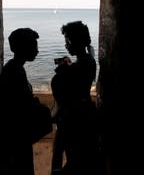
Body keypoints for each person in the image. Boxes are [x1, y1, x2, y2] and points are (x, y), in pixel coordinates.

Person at [50, 21, 101, 175]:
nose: (66, 45)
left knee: (72, 156)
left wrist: (62, 72)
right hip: (84, 112)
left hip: (75, 118)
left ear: (77, 41)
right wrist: (69, 67)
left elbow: (62, 90)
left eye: (68, 41)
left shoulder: (77, 67)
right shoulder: (88, 59)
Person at [0, 28, 47, 175]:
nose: (37, 50)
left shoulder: (14, 68)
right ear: (24, 48)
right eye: (34, 46)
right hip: (16, 137)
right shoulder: (14, 72)